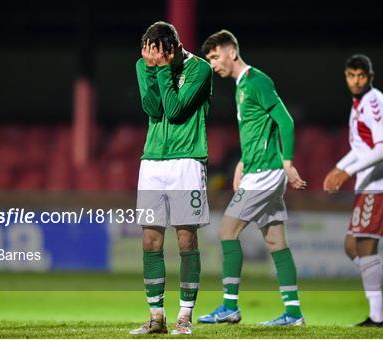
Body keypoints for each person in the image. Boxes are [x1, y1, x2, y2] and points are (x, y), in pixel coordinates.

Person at [198, 30, 307, 327]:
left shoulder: (257, 81)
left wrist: (287, 163)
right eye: (209, 59)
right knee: (275, 241)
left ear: (231, 51)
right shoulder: (241, 86)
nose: (213, 64)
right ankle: (293, 312)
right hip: (257, 169)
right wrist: (241, 163)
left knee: (226, 230)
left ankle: (229, 306)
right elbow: (259, 129)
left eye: (215, 57)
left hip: (265, 174)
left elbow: (285, 120)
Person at [323, 54, 383, 328]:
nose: (356, 81)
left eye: (361, 76)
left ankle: (378, 317)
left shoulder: (374, 103)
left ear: (370, 77)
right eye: (351, 75)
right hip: (369, 184)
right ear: (345, 76)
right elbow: (361, 148)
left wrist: (346, 172)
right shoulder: (359, 104)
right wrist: (338, 167)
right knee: (353, 247)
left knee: (365, 247)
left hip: (380, 184)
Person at [130, 21, 213, 335]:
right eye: (150, 55)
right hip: (152, 162)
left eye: (162, 54)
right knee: (150, 240)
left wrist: (162, 70)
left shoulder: (200, 70)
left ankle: (185, 316)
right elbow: (153, 109)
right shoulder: (145, 65)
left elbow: (175, 110)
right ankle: (156, 316)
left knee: (185, 240)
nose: (155, 59)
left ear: (176, 47)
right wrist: (151, 70)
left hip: (187, 162)